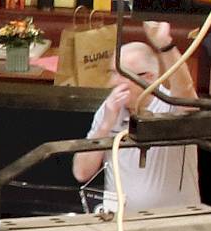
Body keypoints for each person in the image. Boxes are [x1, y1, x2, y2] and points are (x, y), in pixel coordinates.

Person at [72, 24, 201, 213]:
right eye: (112, 73)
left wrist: (164, 44)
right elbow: (81, 172)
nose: (113, 82)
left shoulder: (171, 105)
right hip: (120, 223)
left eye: (121, 75)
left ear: (148, 78)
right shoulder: (110, 108)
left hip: (173, 222)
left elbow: (186, 89)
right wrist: (105, 125)